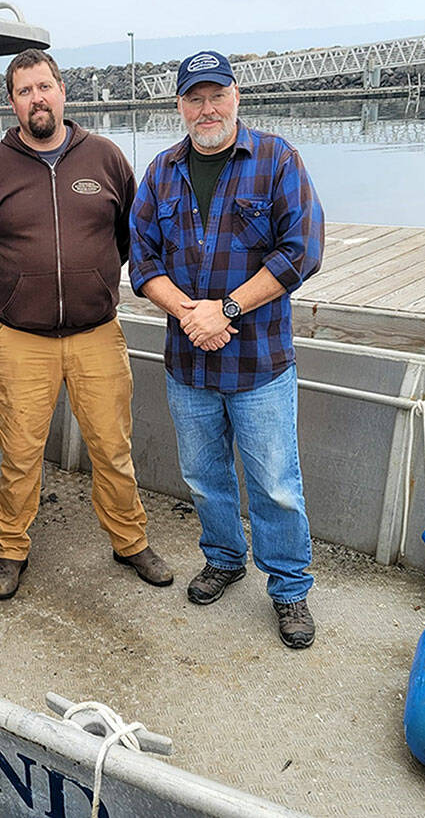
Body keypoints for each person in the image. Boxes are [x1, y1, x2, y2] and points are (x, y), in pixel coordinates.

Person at [0, 48, 173, 600]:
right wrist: (21, 286)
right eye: (24, 91)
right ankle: (11, 549)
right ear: (11, 103)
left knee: (112, 446)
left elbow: (129, 237)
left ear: (62, 91)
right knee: (20, 453)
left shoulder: (104, 157)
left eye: (44, 87)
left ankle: (129, 541)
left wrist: (88, 279)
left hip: (97, 335)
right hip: (22, 341)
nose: (37, 99)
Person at [128, 51, 325, 648]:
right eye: (194, 97)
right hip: (189, 362)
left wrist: (227, 309)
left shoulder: (277, 159)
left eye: (216, 95)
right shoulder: (162, 172)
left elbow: (302, 251)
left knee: (274, 483)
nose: (206, 108)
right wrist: (191, 313)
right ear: (180, 104)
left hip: (259, 362)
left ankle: (289, 588)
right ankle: (224, 557)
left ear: (237, 96)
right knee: (205, 475)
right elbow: (142, 262)